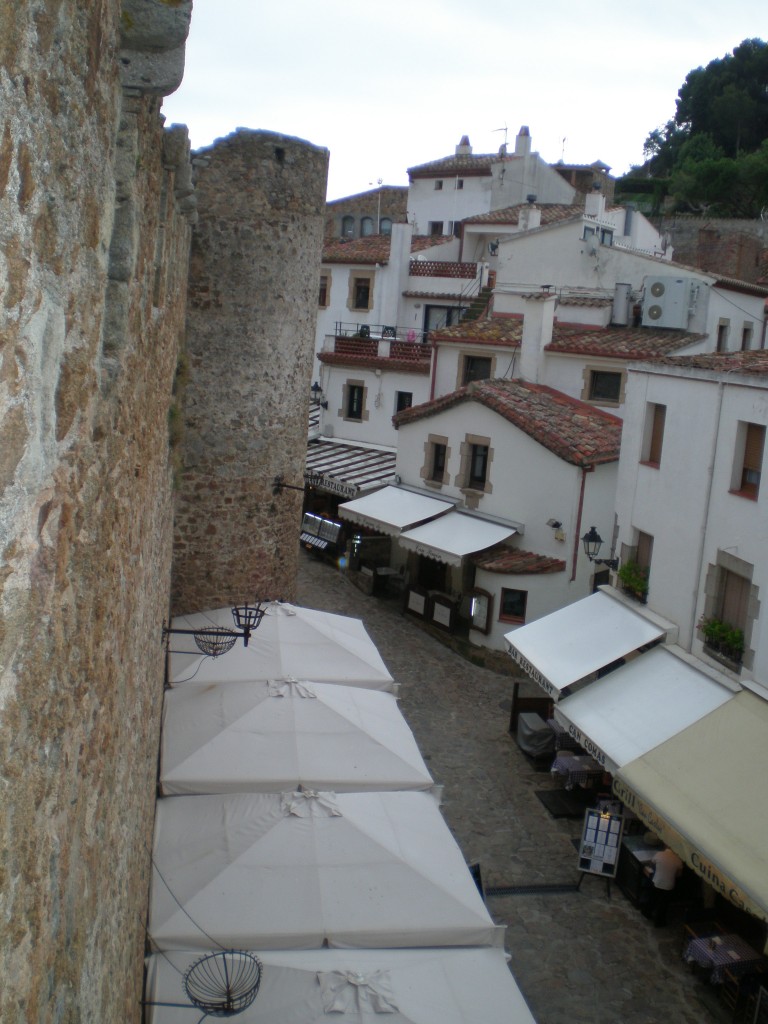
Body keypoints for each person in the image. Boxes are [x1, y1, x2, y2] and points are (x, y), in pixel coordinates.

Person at [643, 847, 683, 926]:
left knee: (652, 899)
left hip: (657, 882)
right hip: (669, 885)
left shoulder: (659, 854)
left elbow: (652, 864)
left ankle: (647, 913)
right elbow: (679, 875)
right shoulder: (678, 860)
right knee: (663, 904)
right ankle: (659, 922)